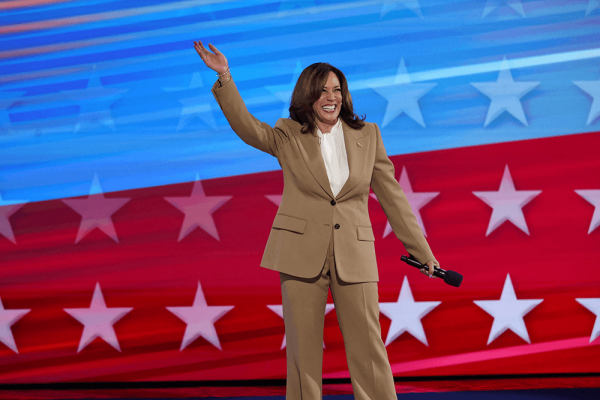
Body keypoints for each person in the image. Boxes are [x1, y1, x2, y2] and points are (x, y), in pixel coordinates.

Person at [194, 40, 439, 400]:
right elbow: (248, 128)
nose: (332, 97)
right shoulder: (288, 134)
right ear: (308, 95)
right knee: (303, 354)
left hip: (354, 255)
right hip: (299, 253)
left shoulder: (368, 136)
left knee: (369, 349)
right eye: (323, 90)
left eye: (337, 90)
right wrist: (225, 77)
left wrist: (423, 253)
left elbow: (393, 198)